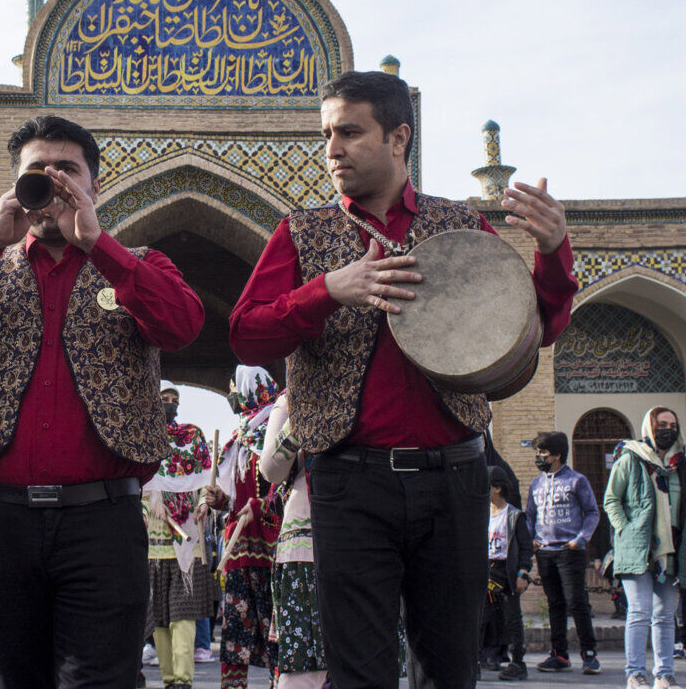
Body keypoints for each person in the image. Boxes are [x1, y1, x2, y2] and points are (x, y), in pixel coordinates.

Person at [228, 69, 577, 687]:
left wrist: (552, 251)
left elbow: (535, 332)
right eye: (327, 134)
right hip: (348, 481)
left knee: (448, 667)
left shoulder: (461, 224)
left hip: (455, 477)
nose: (332, 149)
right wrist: (326, 292)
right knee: (359, 671)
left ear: (398, 138)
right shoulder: (302, 232)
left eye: (350, 132)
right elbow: (247, 333)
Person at [0, 114, 204, 687]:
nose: (54, 182)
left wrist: (99, 244)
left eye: (68, 170)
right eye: (38, 172)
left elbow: (183, 324)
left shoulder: (136, 262)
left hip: (102, 520)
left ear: (96, 183)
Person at [603, 407, 686, 689]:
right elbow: (611, 499)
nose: (668, 429)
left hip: (670, 551)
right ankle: (635, 674)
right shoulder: (631, 458)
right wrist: (625, 529)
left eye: (672, 424)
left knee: (666, 616)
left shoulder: (679, 464)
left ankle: (664, 674)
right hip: (638, 548)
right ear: (649, 427)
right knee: (640, 612)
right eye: (662, 423)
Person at [202, 366, 281, 689]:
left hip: (273, 548)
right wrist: (218, 500)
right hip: (238, 551)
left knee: (276, 631)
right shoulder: (238, 439)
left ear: (250, 389)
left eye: (235, 387)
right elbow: (234, 498)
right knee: (235, 633)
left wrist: (264, 506)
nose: (232, 393)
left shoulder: (278, 429)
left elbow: (288, 485)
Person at [142, 380, 215, 689]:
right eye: (164, 397)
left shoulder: (193, 437)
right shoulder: (143, 436)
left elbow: (202, 481)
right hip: (153, 543)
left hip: (186, 539)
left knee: (182, 615)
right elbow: (136, 480)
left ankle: (183, 680)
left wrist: (203, 504)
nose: (170, 402)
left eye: (174, 398)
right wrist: (150, 502)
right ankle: (170, 677)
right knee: (158, 618)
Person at [259, 390, 328, 688]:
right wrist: (303, 412)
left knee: (363, 656)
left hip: (369, 533)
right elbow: (271, 469)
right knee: (305, 667)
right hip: (307, 543)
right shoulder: (292, 398)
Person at [526, 430, 602, 674]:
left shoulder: (577, 481)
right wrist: (532, 540)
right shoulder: (536, 483)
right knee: (555, 603)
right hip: (545, 552)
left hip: (569, 550)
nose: (539, 457)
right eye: (537, 452)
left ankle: (589, 654)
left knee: (577, 602)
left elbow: (592, 512)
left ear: (557, 454)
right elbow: (530, 516)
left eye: (543, 453)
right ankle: (559, 654)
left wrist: (580, 540)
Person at [483, 466, 533, 681]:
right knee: (483, 617)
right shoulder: (481, 514)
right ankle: (481, 658)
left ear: (497, 488)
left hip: (507, 573)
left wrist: (523, 573)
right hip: (487, 572)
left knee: (512, 618)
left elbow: (526, 547)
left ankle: (518, 662)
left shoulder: (514, 516)